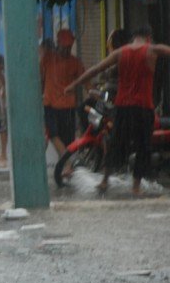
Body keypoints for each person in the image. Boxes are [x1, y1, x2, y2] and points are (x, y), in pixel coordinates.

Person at [65, 26, 170, 195]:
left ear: (133, 38)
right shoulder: (153, 49)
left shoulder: (121, 52)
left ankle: (105, 181)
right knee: (143, 147)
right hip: (143, 107)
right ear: (148, 38)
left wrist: (73, 85)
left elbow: (96, 69)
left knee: (115, 144)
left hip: (122, 107)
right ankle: (136, 187)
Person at [40, 28, 85, 157]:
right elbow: (41, 79)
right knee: (53, 134)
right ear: (58, 44)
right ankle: (67, 162)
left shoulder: (75, 62)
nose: (66, 50)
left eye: (69, 47)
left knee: (68, 139)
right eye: (64, 47)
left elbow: (85, 81)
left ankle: (66, 162)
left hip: (67, 107)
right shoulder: (48, 59)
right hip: (50, 105)